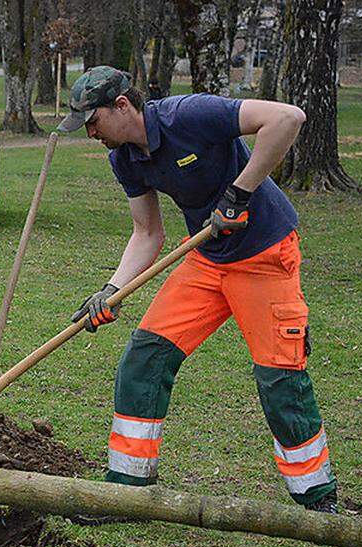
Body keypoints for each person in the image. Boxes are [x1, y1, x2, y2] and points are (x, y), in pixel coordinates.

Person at [56, 66, 339, 513]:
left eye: (93, 121)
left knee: (279, 379)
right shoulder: (125, 159)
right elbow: (147, 233)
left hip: (265, 257)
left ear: (122, 105)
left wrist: (240, 193)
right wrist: (111, 289)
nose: (90, 132)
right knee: (144, 359)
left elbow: (288, 118)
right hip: (207, 261)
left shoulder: (190, 115)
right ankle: (128, 489)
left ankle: (317, 496)